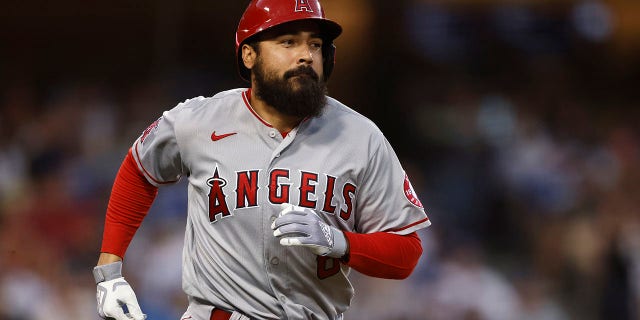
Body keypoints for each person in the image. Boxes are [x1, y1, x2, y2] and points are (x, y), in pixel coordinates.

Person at [92, 0, 432, 319]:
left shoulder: (361, 136)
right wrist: (110, 271)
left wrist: (338, 241)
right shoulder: (199, 121)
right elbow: (139, 169)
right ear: (250, 54)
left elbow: (406, 253)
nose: (305, 56)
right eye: (288, 42)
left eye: (314, 45)